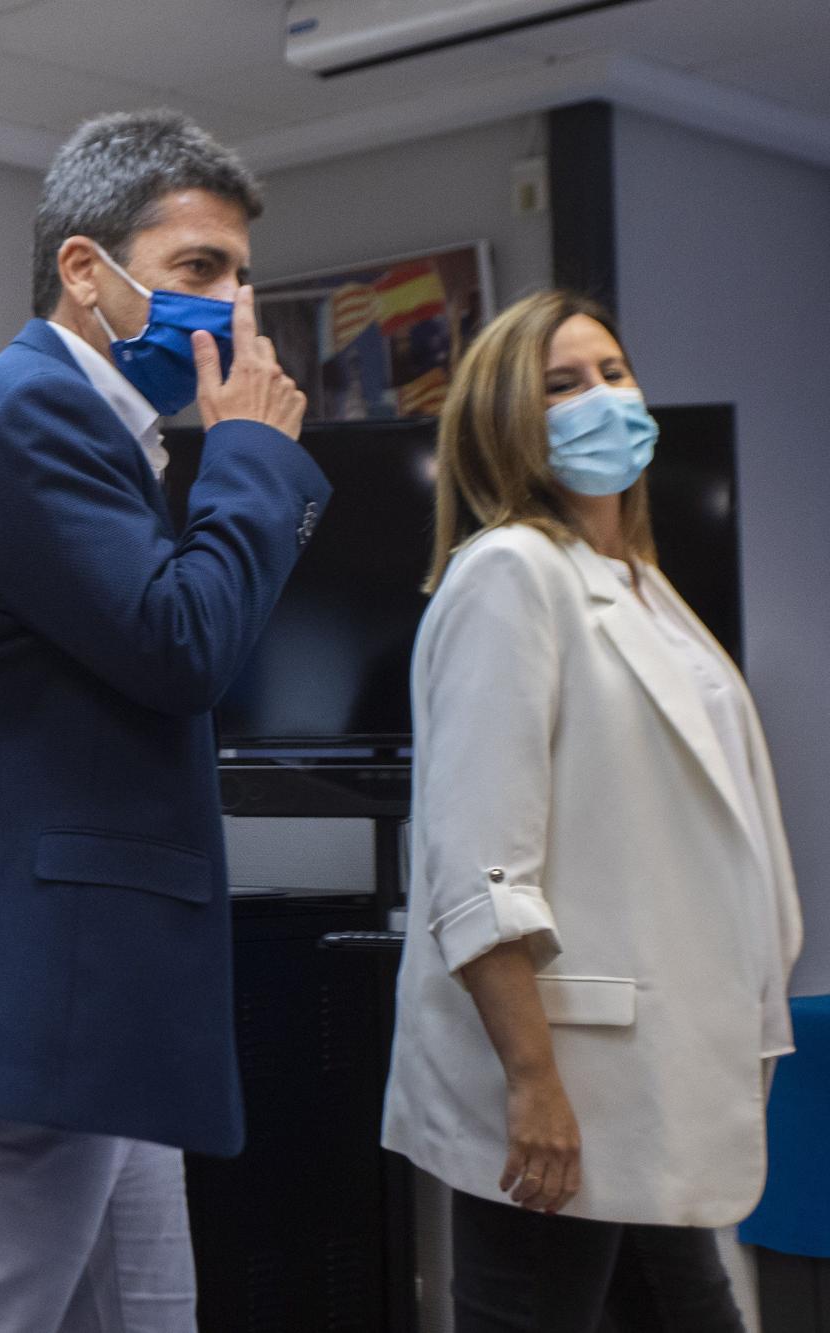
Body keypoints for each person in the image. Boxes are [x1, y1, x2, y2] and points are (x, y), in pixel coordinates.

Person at [0, 108, 328, 1333]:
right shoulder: (29, 412)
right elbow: (179, 642)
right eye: (198, 270)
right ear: (84, 272)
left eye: (241, 280)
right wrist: (247, 455)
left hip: (88, 1005)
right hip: (22, 1001)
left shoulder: (103, 437)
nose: (231, 311)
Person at [382, 290, 801, 1333]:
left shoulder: (641, 586)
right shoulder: (511, 574)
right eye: (559, 385)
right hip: (563, 1075)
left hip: (653, 1075)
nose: (600, 400)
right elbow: (478, 867)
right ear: (501, 424)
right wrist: (531, 1082)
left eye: (611, 372)